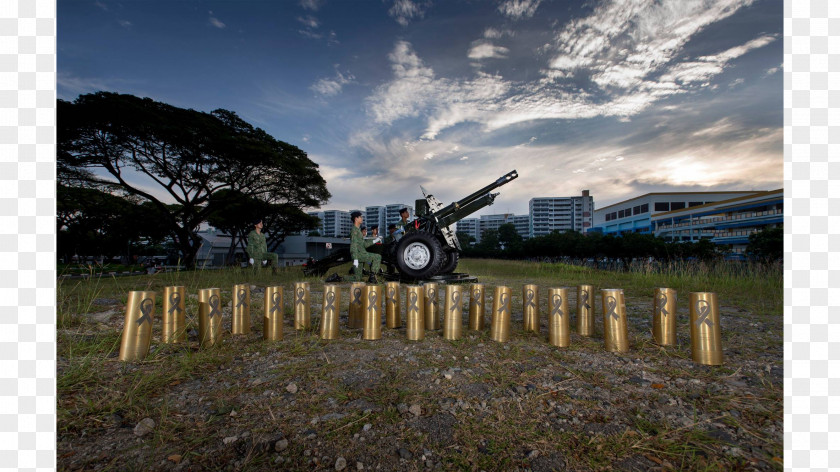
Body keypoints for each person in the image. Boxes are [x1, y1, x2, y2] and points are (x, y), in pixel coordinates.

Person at [350, 211, 380, 283]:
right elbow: (353, 245)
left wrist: (375, 241)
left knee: (357, 278)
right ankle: (372, 278)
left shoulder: (358, 231)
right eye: (360, 217)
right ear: (356, 219)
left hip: (359, 254)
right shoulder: (354, 230)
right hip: (359, 255)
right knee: (377, 257)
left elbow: (364, 245)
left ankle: (338, 278)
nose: (362, 218)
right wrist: (356, 258)